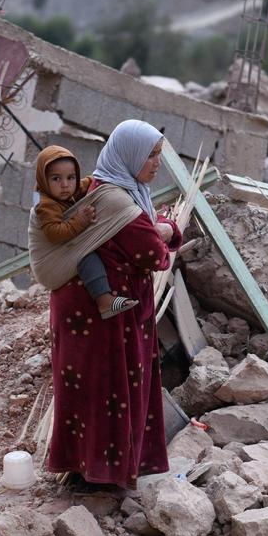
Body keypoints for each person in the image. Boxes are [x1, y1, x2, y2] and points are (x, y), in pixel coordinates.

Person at [45, 119, 182, 492]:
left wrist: (159, 227)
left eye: (158, 155)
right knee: (109, 390)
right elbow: (155, 255)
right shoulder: (121, 204)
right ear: (130, 156)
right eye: (150, 156)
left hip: (81, 310)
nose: (156, 163)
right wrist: (167, 230)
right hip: (105, 317)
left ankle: (82, 468)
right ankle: (103, 476)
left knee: (84, 388)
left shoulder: (100, 187)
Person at [33, 145, 139, 319]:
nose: (65, 185)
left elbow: (89, 182)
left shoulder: (70, 190)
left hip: (65, 246)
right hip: (50, 261)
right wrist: (79, 221)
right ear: (43, 180)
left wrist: (105, 180)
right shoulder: (44, 204)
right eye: (56, 179)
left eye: (71, 177)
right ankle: (104, 301)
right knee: (87, 257)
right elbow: (54, 233)